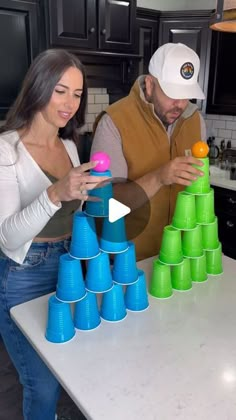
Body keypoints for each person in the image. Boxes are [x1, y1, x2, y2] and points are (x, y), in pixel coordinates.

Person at [0, 49, 107, 419]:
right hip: (24, 276)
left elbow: (71, 215)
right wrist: (55, 193)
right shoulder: (6, 150)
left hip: (68, 266)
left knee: (70, 366)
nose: (70, 104)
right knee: (41, 384)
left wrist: (95, 196)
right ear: (38, 86)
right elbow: (8, 238)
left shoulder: (69, 147)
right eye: (60, 91)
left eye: (77, 94)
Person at [91, 42, 207, 261]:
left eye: (187, 95)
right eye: (172, 94)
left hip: (182, 258)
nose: (180, 104)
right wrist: (159, 177)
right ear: (150, 84)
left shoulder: (195, 120)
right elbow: (105, 205)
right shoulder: (114, 122)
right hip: (131, 261)